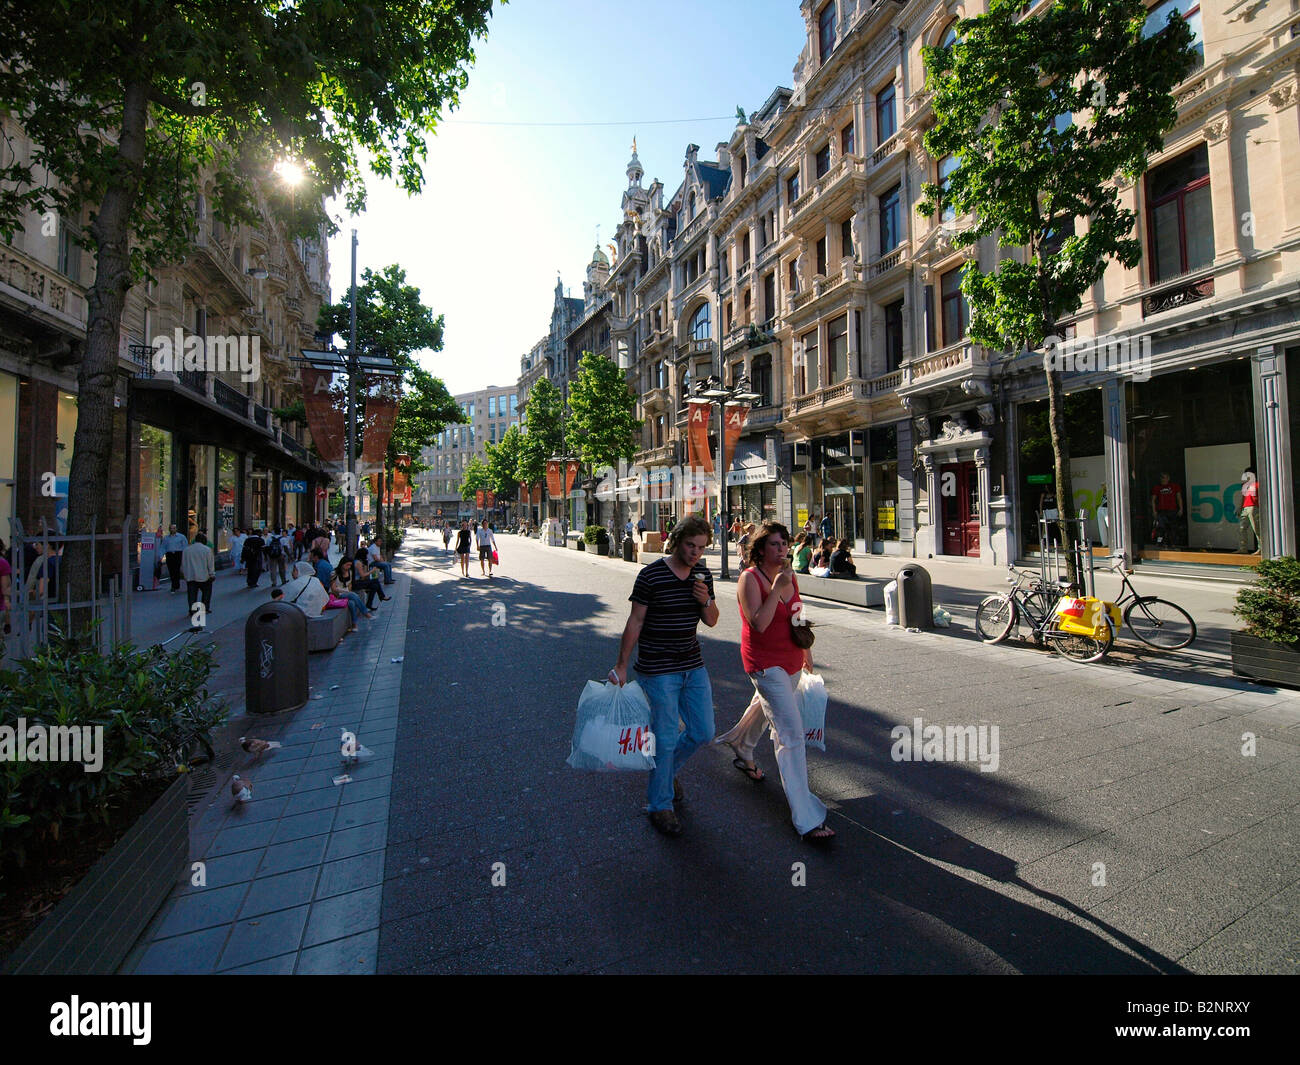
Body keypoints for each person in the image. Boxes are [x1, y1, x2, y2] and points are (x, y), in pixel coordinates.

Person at [715, 522, 834, 843]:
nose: (782, 550)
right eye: (775, 545)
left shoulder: (790, 576)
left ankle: (741, 743)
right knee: (790, 733)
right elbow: (759, 625)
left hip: (792, 658)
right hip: (764, 663)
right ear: (761, 549)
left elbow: (797, 614)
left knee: (765, 705)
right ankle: (806, 818)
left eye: (784, 544)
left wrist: (808, 649)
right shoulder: (749, 579)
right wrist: (777, 587)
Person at [611, 515, 719, 838]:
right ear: (676, 541)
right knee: (666, 736)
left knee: (703, 731)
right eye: (690, 545)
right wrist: (621, 665)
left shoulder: (703, 576)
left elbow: (712, 620)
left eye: (701, 547)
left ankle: (667, 771)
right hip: (658, 670)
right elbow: (635, 622)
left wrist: (707, 599)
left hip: (693, 666)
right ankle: (660, 804)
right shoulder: (651, 576)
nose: (696, 553)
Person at [181, 532, 216, 621]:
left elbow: (183, 563)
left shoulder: (187, 550)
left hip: (191, 576)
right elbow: (210, 564)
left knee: (192, 594)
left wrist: (185, 574)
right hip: (204, 576)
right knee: (206, 593)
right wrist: (212, 574)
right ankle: (205, 608)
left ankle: (192, 609)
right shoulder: (207, 550)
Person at [1150, 471, 1183, 547]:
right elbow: (1153, 500)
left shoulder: (1174, 486)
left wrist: (1181, 509)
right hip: (1161, 511)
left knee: (1173, 528)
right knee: (1161, 528)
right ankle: (1160, 542)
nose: (1163, 480)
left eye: (1164, 478)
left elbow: (1179, 498)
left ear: (1168, 478)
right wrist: (1154, 511)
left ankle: (1173, 543)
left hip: (1172, 510)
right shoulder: (1157, 488)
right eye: (1161, 478)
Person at [1238, 467, 1260, 554]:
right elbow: (1243, 497)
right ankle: (1243, 548)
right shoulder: (1245, 485)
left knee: (1256, 528)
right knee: (1241, 528)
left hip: (1254, 507)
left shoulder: (1258, 484)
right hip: (1245, 508)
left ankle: (1261, 548)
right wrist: (1240, 508)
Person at [161, 524, 188, 593]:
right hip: (169, 554)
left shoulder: (181, 537)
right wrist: (160, 556)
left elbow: (185, 546)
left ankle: (174, 585)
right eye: (171, 528)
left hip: (178, 554)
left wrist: (184, 555)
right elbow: (163, 547)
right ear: (169, 529)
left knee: (176, 569)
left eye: (174, 528)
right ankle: (175, 583)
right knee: (171, 570)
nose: (172, 530)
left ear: (176, 529)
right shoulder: (166, 538)